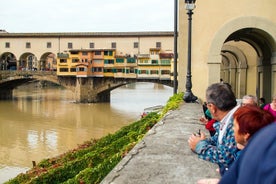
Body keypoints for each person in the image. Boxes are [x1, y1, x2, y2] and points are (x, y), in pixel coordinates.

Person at [197, 105, 275, 184]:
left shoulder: (251, 160)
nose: (232, 129)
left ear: (246, 135)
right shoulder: (260, 153)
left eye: (234, 126)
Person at [188, 83, 239, 175]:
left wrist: (200, 146)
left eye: (207, 104)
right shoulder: (229, 117)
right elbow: (217, 140)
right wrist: (201, 141)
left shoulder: (236, 121)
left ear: (212, 107)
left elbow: (226, 157)